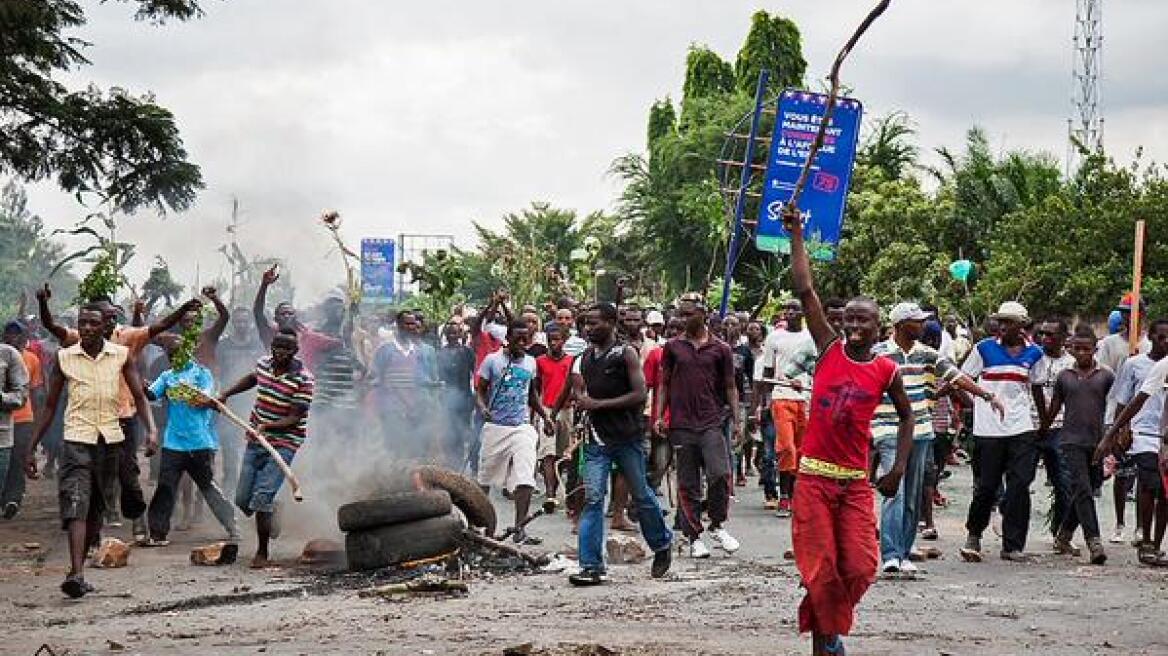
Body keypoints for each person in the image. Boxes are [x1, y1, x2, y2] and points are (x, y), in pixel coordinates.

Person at [781, 208, 915, 656]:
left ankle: (827, 626)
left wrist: (898, 466)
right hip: (815, 481)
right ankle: (826, 643)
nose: (854, 327)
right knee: (820, 571)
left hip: (855, 482)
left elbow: (908, 417)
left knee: (859, 567)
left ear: (879, 329)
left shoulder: (885, 369)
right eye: (849, 320)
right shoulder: (827, 350)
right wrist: (798, 232)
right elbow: (805, 289)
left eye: (864, 322)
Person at [38, 284, 198, 542]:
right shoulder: (83, 337)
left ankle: (137, 520)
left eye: (114, 317)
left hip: (123, 417)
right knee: (96, 478)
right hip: (88, 422)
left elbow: (158, 327)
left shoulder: (127, 339)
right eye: (107, 317)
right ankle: (95, 533)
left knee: (129, 475)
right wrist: (43, 303)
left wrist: (182, 310)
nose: (112, 321)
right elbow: (52, 327)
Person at [25, 303, 156, 598]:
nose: (86, 328)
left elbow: (138, 396)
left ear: (104, 327)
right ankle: (75, 572)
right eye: (82, 323)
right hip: (76, 439)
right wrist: (31, 447)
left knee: (97, 507)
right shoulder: (64, 358)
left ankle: (79, 569)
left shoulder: (121, 356)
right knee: (76, 502)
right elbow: (49, 406)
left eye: (92, 323)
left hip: (109, 440)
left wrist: (152, 430)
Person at [870, 302, 1004, 575]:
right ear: (900, 325)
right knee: (894, 490)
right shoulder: (878, 354)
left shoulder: (927, 354)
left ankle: (904, 551)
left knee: (912, 495)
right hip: (886, 429)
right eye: (916, 321)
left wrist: (986, 395)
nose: (923, 326)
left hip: (920, 430)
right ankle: (890, 554)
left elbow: (956, 377)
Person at [564, 303, 672, 585]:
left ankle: (662, 545)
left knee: (643, 495)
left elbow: (639, 394)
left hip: (627, 438)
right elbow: (578, 390)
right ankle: (591, 565)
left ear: (611, 324)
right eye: (586, 323)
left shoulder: (625, 354)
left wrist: (597, 404)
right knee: (593, 498)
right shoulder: (586, 358)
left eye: (595, 323)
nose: (588, 328)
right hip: (596, 440)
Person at [218, 329, 314, 568]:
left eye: (286, 349)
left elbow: (294, 418)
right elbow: (253, 378)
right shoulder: (263, 364)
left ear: (295, 351)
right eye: (276, 347)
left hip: (285, 442)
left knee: (260, 498)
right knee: (242, 500)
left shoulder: (304, 379)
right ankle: (271, 508)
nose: (279, 353)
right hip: (256, 438)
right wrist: (226, 394)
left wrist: (267, 426)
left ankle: (262, 552)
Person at [958, 301, 1045, 563]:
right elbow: (961, 379)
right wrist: (974, 406)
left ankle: (1013, 544)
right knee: (987, 485)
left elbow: (1037, 388)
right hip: (989, 428)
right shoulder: (983, 349)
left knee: (1020, 483)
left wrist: (1043, 422)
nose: (1002, 326)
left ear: (1022, 326)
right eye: (1001, 322)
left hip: (1021, 426)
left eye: (1008, 322)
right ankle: (974, 533)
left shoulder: (1035, 353)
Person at [141, 343, 240, 561]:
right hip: (173, 443)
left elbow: (204, 399)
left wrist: (190, 392)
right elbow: (151, 395)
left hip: (199, 443)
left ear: (189, 353)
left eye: (180, 353)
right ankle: (157, 533)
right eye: (172, 354)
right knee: (166, 487)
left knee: (207, 486)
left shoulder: (202, 374)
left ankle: (232, 525)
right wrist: (144, 387)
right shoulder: (167, 376)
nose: (176, 357)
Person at [658, 297, 741, 558]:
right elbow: (664, 384)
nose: (682, 320)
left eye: (687, 314)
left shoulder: (721, 349)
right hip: (682, 424)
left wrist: (737, 420)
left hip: (711, 421)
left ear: (703, 314)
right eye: (680, 315)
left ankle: (717, 524)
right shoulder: (673, 347)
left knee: (720, 474)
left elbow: (730, 386)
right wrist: (660, 416)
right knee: (688, 482)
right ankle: (692, 536)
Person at [1098, 318, 1168, 566]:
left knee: (1165, 493)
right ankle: (1144, 539)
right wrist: (1114, 433)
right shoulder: (1145, 366)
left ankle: (1156, 546)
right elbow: (1130, 401)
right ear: (1151, 338)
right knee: (1150, 484)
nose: (1166, 342)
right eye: (1161, 337)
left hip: (1164, 436)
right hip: (1142, 434)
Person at [476, 319, 551, 544]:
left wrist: (546, 416)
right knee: (485, 478)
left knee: (525, 476)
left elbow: (532, 394)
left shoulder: (530, 363)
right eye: (518, 338)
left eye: (526, 339)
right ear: (508, 339)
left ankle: (520, 529)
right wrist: (482, 408)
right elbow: (479, 391)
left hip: (521, 426)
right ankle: (483, 528)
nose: (522, 342)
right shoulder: (492, 361)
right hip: (496, 427)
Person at [1043, 325, 1113, 564]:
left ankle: (1063, 534)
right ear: (1071, 350)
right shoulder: (1064, 377)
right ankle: (1094, 541)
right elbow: (1054, 407)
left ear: (1094, 349)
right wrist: (1042, 431)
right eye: (1077, 349)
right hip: (1070, 440)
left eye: (1087, 349)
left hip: (1097, 441)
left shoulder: (1106, 376)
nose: (1082, 353)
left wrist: (1113, 437)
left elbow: (1113, 408)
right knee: (1082, 488)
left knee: (1089, 488)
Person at [1096, 293, 1149, 544]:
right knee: (1122, 472)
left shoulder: (1151, 345)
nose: (1130, 318)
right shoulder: (1109, 343)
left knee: (1143, 474)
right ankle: (1119, 523)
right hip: (1115, 413)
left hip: (1145, 418)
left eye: (1135, 313)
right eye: (1127, 313)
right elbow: (1103, 376)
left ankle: (1140, 527)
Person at [755, 299, 814, 517]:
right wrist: (763, 404)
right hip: (781, 397)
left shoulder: (811, 337)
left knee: (801, 450)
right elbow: (768, 373)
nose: (789, 312)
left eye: (794, 309)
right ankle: (785, 496)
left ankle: (797, 494)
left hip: (806, 398)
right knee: (786, 448)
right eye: (786, 309)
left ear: (802, 312)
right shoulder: (774, 338)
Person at [369, 311, 438, 460]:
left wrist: (432, 386)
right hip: (392, 409)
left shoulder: (418, 352)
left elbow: (420, 380)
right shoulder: (385, 350)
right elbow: (374, 377)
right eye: (408, 323)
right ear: (399, 326)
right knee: (395, 449)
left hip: (414, 409)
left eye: (413, 324)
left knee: (414, 449)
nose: (412, 327)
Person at [1030, 318, 1075, 539]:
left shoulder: (1072, 364)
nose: (1045, 339)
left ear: (1064, 338)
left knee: (1063, 483)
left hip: (1060, 429)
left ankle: (1060, 532)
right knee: (1020, 481)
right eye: (1043, 334)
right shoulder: (1032, 358)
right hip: (1029, 426)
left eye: (1051, 335)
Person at [215, 307, 265, 498]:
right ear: (233, 323)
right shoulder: (224, 346)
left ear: (250, 323)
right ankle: (229, 488)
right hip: (230, 403)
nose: (242, 325)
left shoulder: (258, 346)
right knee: (229, 448)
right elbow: (218, 372)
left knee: (251, 447)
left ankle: (247, 489)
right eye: (238, 321)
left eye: (245, 321)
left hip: (253, 404)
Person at [252, 264, 342, 370]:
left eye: (290, 313)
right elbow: (258, 312)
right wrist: (264, 285)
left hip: (301, 384)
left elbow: (338, 343)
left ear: (296, 317)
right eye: (283, 314)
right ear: (276, 319)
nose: (287, 316)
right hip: (276, 382)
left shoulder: (310, 337)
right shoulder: (270, 334)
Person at [2, 322, 41, 518]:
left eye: (16, 334)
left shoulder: (32, 359)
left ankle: (13, 498)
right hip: (3, 420)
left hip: (23, 418)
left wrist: (38, 424)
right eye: (9, 333)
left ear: (23, 337)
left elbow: (35, 392)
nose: (12, 337)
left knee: (17, 460)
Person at [535, 326, 574, 502]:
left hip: (566, 411)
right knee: (547, 452)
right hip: (547, 410)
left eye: (557, 339)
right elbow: (535, 388)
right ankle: (550, 494)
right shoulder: (540, 361)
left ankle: (556, 487)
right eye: (550, 340)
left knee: (563, 453)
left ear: (564, 341)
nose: (553, 343)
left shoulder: (571, 361)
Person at [437, 321, 476, 468]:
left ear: (460, 334)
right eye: (450, 333)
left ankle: (460, 462)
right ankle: (450, 462)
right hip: (446, 399)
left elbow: (475, 373)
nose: (453, 336)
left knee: (462, 431)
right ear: (446, 335)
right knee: (449, 431)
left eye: (455, 333)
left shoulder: (467, 352)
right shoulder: (441, 354)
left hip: (465, 398)